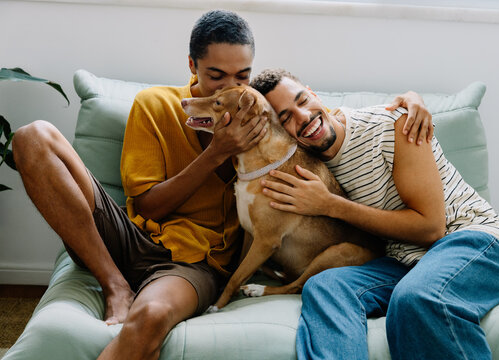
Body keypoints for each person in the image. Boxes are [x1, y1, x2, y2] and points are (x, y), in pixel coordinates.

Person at [12, 9, 430, 359]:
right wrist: (216, 152)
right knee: (32, 137)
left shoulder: (261, 116)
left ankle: (132, 299)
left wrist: (411, 98)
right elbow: (149, 205)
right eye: (216, 76)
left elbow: (319, 116)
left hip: (194, 263)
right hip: (131, 235)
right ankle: (113, 283)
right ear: (192, 65)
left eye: (242, 76)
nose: (231, 88)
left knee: (152, 317)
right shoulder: (155, 105)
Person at [250, 69, 499, 360]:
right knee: (324, 286)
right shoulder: (305, 163)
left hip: (473, 241)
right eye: (286, 117)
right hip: (403, 263)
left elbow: (431, 228)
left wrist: (330, 205)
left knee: (415, 298)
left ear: (314, 94)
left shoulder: (393, 125)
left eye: (302, 100)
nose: (302, 117)